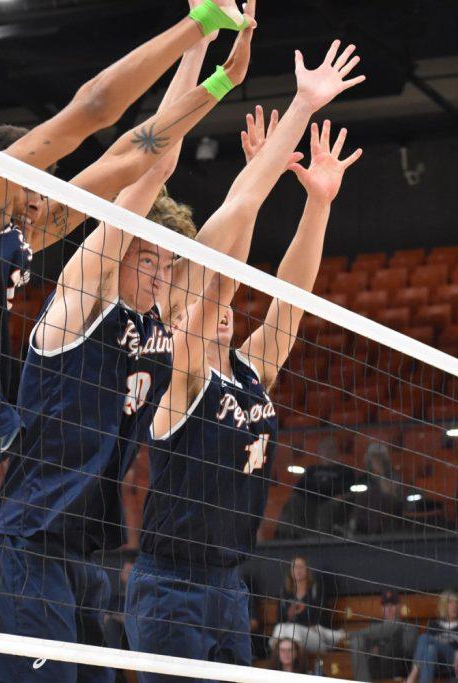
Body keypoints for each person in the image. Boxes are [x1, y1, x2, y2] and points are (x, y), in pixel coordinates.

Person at [0, 2, 252, 682]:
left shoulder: (12, 237)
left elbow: (136, 158)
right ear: (10, 173)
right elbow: (93, 110)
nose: (49, 206)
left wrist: (213, 86)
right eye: (38, 189)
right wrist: (197, 25)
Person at [0, 10, 262, 682]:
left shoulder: (160, 318)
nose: (162, 271)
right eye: (149, 257)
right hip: (26, 547)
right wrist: (204, 47)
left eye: (168, 263)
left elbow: (227, 228)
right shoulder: (81, 301)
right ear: (120, 252)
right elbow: (149, 164)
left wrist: (264, 131)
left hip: (86, 554)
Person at [125, 49, 364, 678]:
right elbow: (221, 267)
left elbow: (290, 300)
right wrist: (266, 160)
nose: (224, 306)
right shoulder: (183, 367)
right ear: (177, 309)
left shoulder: (248, 368)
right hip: (169, 587)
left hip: (229, 587)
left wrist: (318, 202)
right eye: (207, 299)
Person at [270, 556, 346, 654]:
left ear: (307, 570)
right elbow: (280, 620)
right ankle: (282, 662)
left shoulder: (316, 590)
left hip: (315, 636)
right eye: (294, 567)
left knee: (294, 630)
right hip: (289, 635)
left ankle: (294, 664)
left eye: (301, 567)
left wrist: (304, 610)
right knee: (279, 628)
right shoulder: (285, 593)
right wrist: (290, 614)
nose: (298, 570)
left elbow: (322, 617)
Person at [405, 591, 458, 683]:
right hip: (435, 664)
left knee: (424, 638)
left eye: (457, 603)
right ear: (443, 606)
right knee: (430, 650)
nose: (454, 606)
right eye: (450, 602)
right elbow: (423, 651)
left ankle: (412, 676)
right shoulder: (433, 625)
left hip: (457, 661)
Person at [347, 590, 417, 681]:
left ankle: (347, 634)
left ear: (399, 606)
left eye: (392, 605)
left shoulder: (409, 627)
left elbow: (408, 650)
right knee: (356, 641)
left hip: (398, 669)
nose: (389, 609)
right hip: (377, 669)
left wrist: (383, 646)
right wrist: (372, 651)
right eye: (385, 606)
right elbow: (367, 652)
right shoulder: (373, 627)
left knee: (394, 626)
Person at [349, 443, 405, 536]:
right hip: (365, 503)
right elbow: (356, 490)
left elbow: (390, 492)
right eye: (373, 457)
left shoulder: (392, 475)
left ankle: (370, 531)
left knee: (374, 496)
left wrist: (380, 474)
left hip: (389, 502)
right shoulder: (364, 477)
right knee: (367, 496)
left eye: (379, 457)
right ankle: (354, 525)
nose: (376, 460)